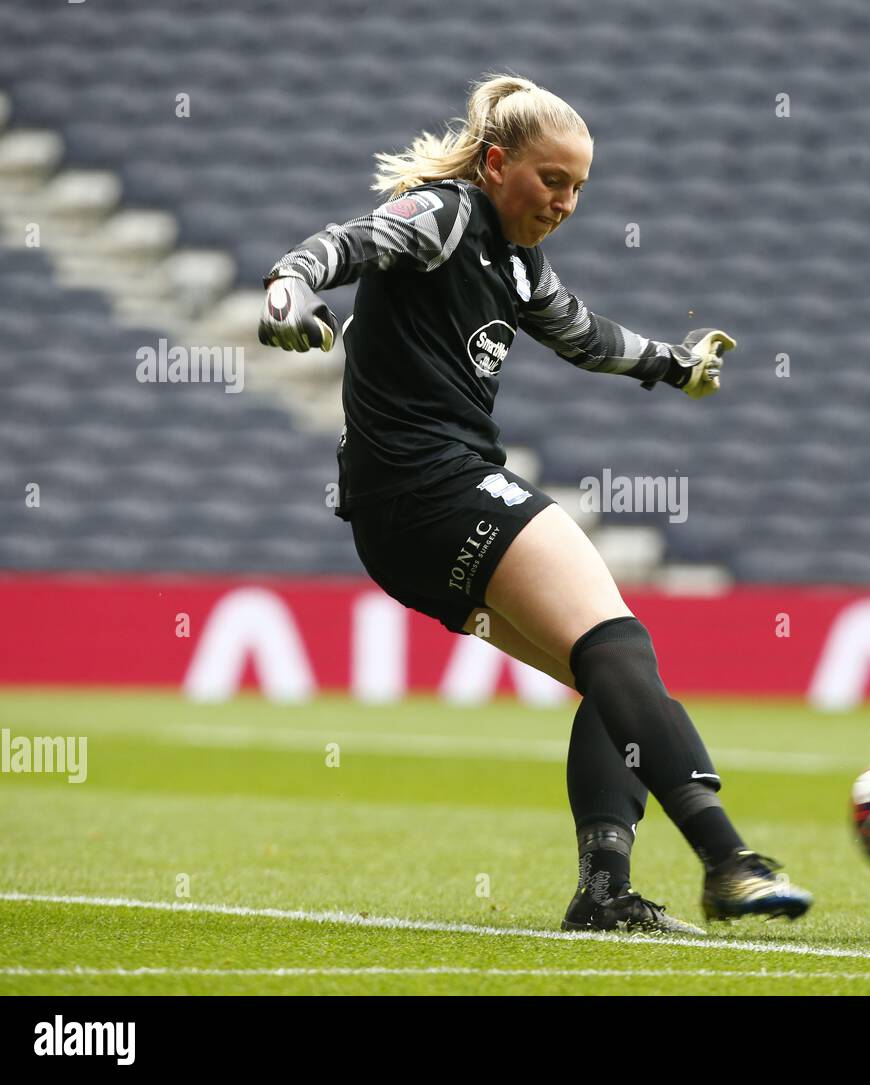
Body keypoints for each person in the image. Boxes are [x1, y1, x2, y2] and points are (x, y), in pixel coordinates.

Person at [258, 72, 812, 935]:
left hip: (397, 526)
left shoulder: (516, 267)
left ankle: (605, 894)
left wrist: (673, 363)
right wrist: (290, 284)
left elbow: (585, 335)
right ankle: (729, 862)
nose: (566, 201)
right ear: (494, 164)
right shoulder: (445, 215)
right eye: (553, 179)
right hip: (437, 488)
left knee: (612, 678)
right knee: (621, 646)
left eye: (580, 187)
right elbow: (351, 243)